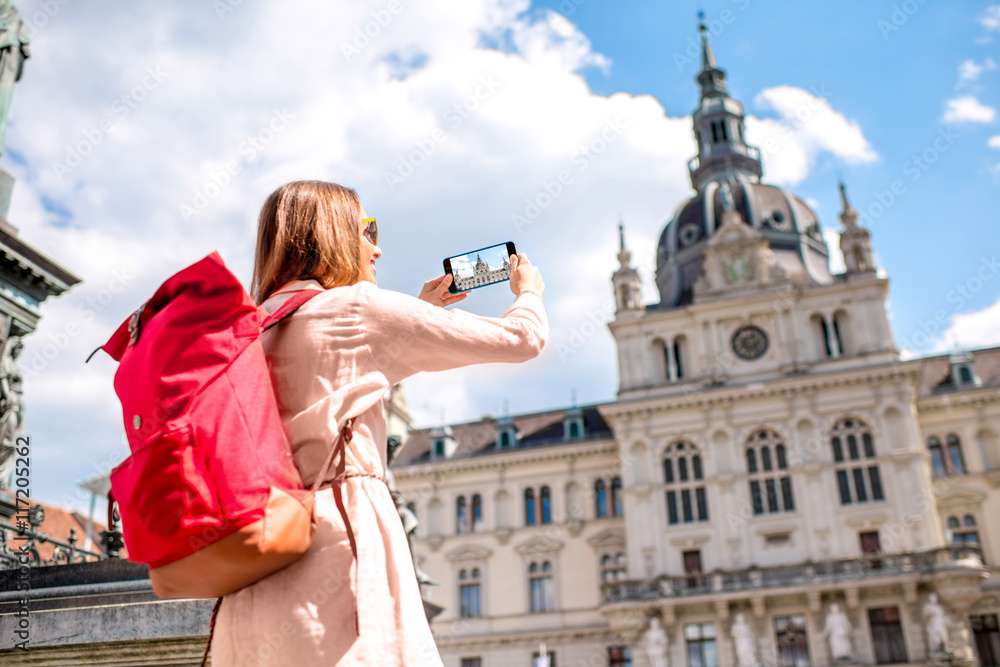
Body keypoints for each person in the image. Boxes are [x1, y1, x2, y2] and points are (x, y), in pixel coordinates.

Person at [208, 180, 548, 666]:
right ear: (331, 235)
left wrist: (420, 310)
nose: (378, 247)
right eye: (367, 230)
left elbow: (345, 371)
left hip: (253, 562)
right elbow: (523, 338)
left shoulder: (247, 327)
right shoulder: (359, 309)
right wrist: (528, 292)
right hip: (338, 544)